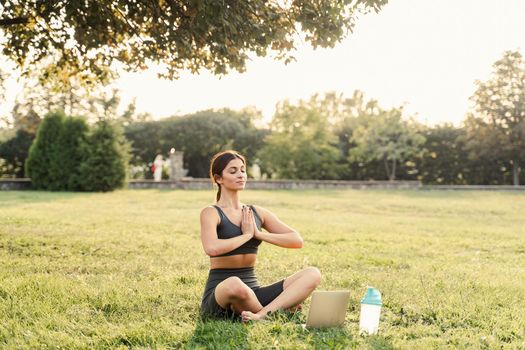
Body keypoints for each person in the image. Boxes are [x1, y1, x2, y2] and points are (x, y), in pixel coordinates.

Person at [200, 150, 321, 322]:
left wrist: (258, 234)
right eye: (233, 171)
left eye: (242, 170)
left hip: (254, 292)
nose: (241, 175)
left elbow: (296, 240)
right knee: (234, 284)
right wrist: (247, 235)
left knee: (312, 273)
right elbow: (211, 248)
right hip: (222, 293)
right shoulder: (211, 212)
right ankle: (278, 311)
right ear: (219, 179)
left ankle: (261, 315)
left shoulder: (256, 212)